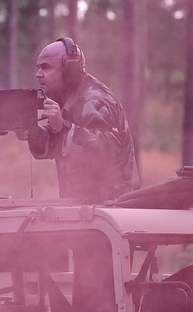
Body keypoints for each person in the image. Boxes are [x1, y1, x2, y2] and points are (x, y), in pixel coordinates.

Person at [26, 37, 140, 202]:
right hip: (84, 207)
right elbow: (55, 146)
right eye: (38, 68)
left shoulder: (95, 100)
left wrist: (64, 127)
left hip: (112, 207)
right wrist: (32, 131)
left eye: (46, 67)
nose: (38, 75)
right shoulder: (68, 99)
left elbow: (108, 152)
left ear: (69, 71)